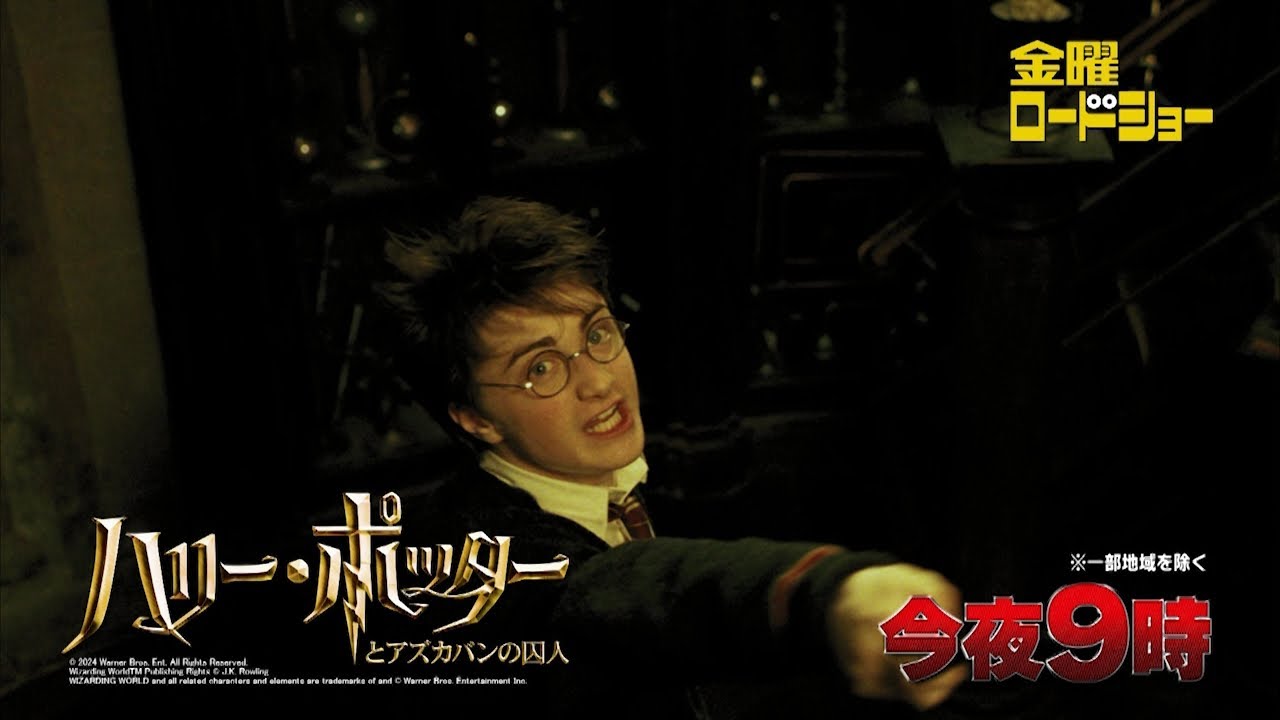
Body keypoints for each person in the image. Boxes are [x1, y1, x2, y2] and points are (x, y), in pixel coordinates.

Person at [374, 195, 966, 717]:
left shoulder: (597, 483)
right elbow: (633, 591)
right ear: (473, 417)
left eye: (597, 334)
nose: (599, 381)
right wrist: (828, 594)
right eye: (543, 368)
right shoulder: (490, 565)